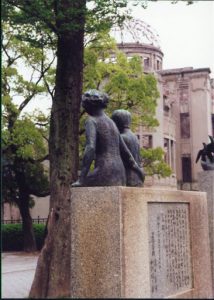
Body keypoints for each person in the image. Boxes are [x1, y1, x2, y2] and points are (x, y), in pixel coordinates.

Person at [72, 90, 144, 187]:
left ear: (89, 105)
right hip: (120, 173)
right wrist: (139, 170)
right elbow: (126, 152)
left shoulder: (91, 121)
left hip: (104, 171)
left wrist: (81, 179)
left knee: (78, 187)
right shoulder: (112, 123)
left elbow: (90, 148)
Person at [112, 109, 144, 187]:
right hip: (137, 178)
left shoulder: (122, 137)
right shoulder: (134, 136)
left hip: (128, 177)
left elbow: (124, 159)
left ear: (117, 122)